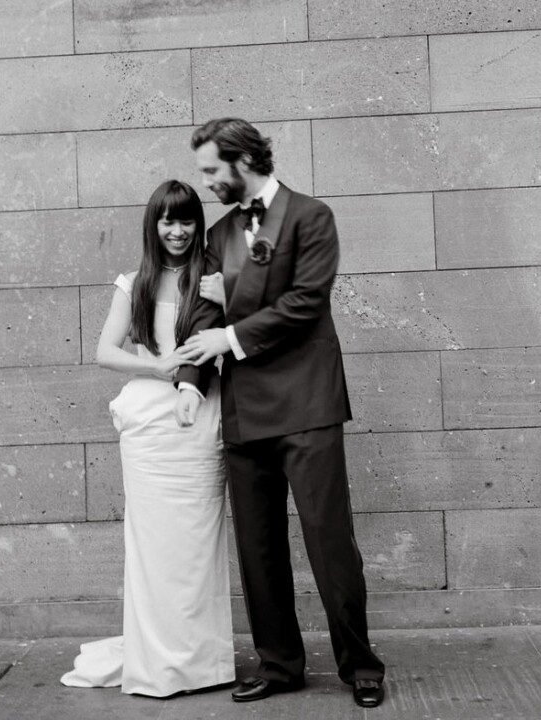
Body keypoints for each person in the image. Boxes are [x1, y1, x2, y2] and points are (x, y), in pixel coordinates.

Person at [175, 118, 386, 708]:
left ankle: (361, 665)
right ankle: (279, 664)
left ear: (244, 161)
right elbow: (200, 314)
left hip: (307, 405)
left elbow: (304, 302)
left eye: (213, 169)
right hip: (244, 408)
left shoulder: (311, 216)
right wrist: (192, 379)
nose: (207, 181)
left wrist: (230, 326)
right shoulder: (219, 234)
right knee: (258, 547)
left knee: (329, 541)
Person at [60, 180, 234, 697]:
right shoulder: (133, 282)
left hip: (201, 417)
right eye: (167, 221)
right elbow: (105, 351)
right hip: (149, 425)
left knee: (197, 543)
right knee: (153, 542)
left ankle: (202, 664)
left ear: (197, 224)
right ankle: (155, 660)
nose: (177, 231)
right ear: (153, 225)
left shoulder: (213, 279)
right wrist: (159, 368)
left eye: (185, 221)